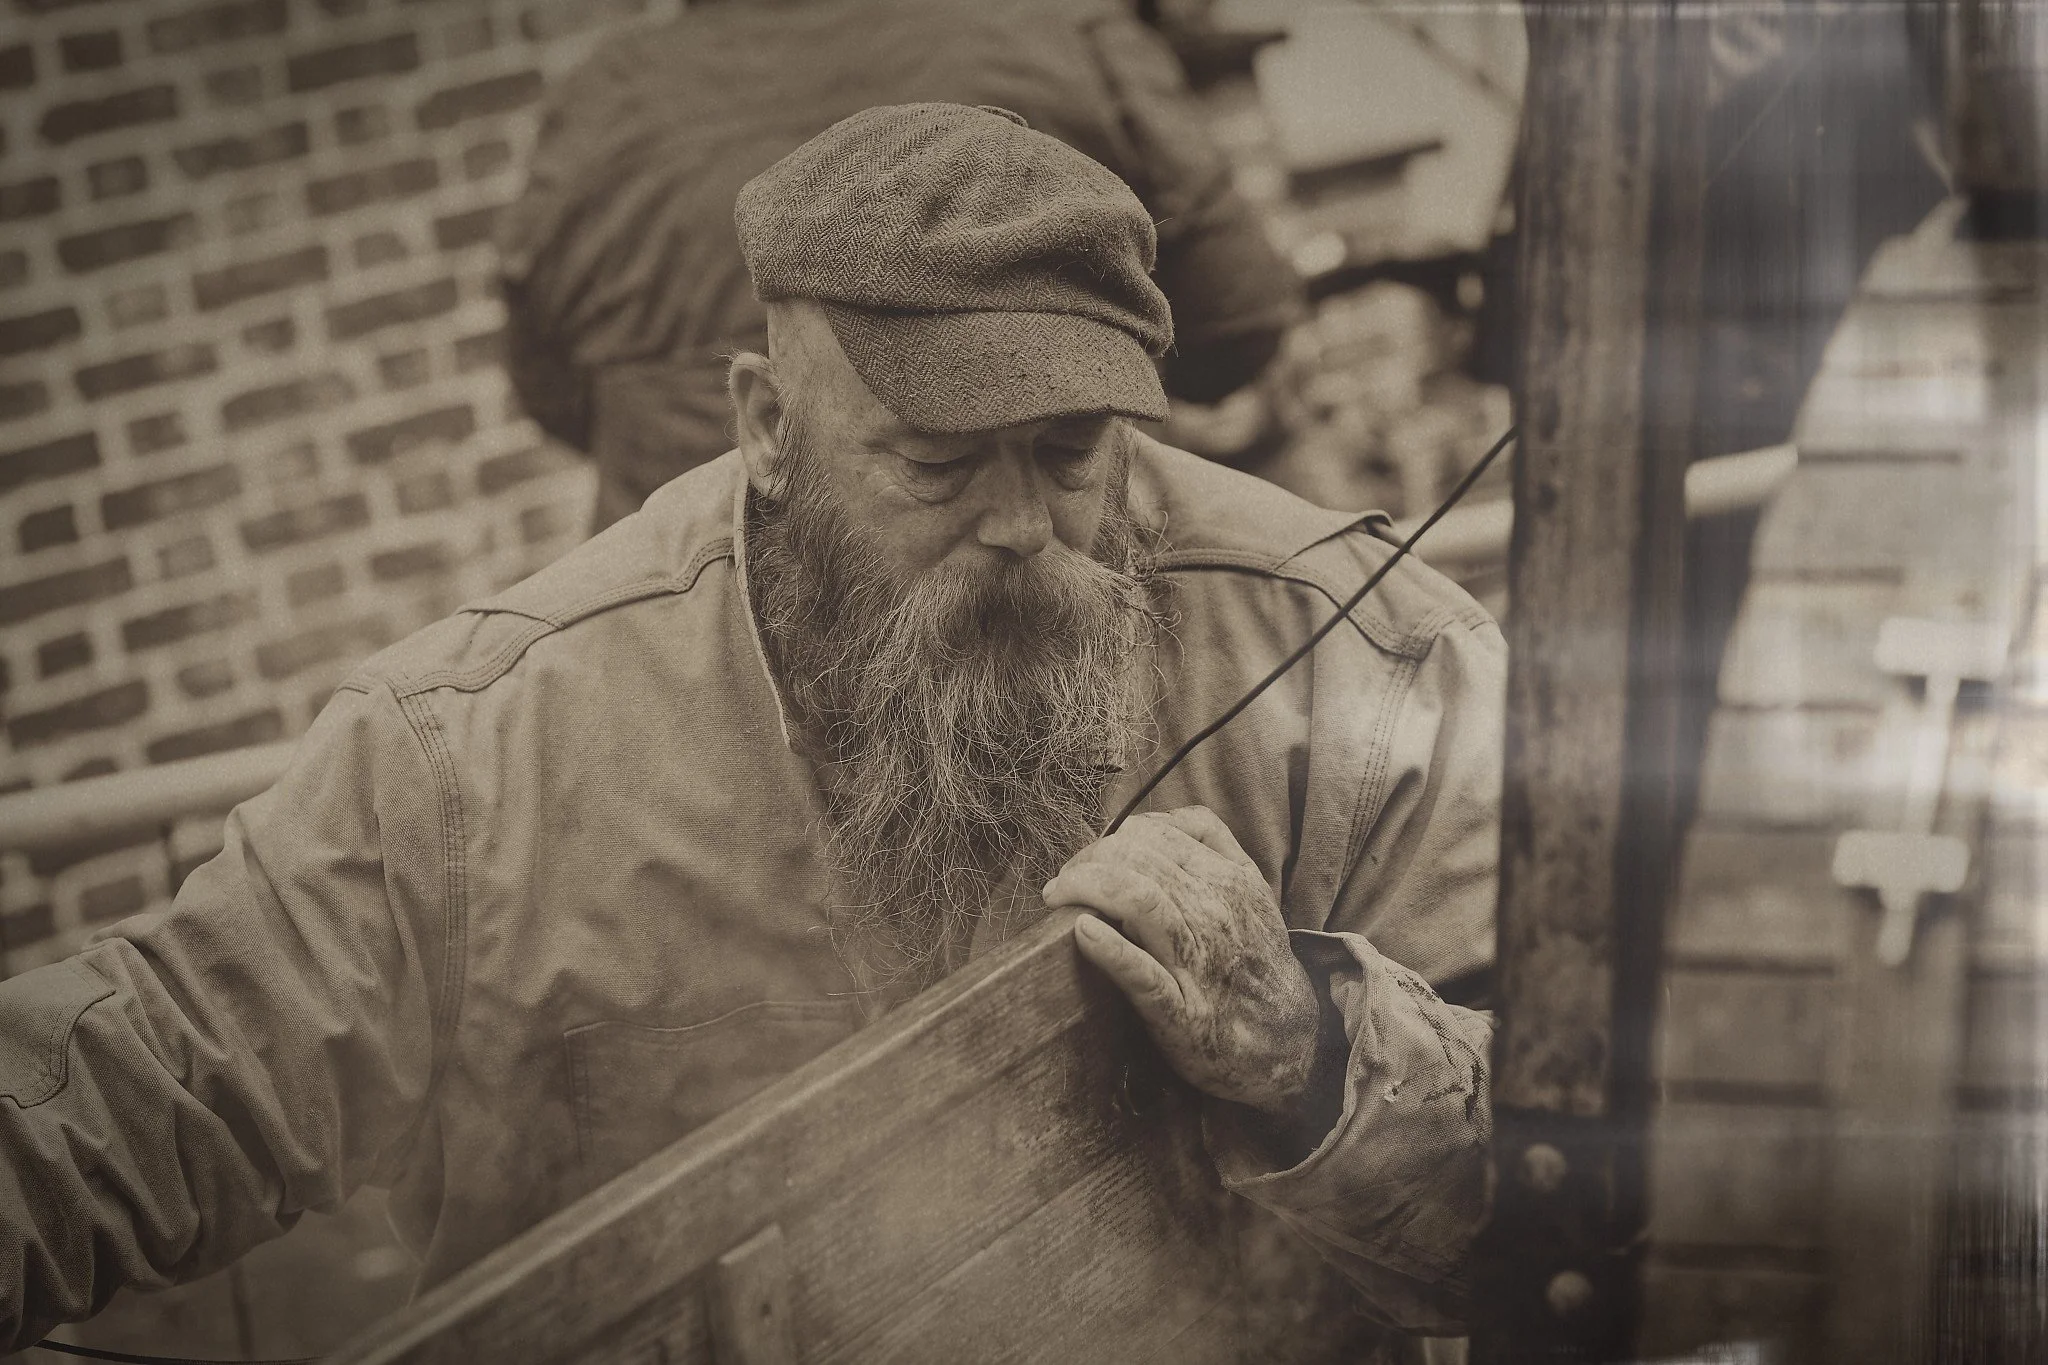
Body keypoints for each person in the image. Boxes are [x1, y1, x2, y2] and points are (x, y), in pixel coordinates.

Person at [0, 106, 1500, 1351]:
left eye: (1067, 451)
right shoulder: (481, 763)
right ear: (767, 426)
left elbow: (1602, 1193)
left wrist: (1311, 1044)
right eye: (934, 462)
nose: (1018, 528)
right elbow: (146, 1081)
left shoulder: (1357, 664)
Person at [498, 0, 1306, 532]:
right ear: (759, 414)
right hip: (1013, 605)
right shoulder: (1051, 26)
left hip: (694, 623)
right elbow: (1239, 325)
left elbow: (555, 392)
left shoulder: (595, 106)